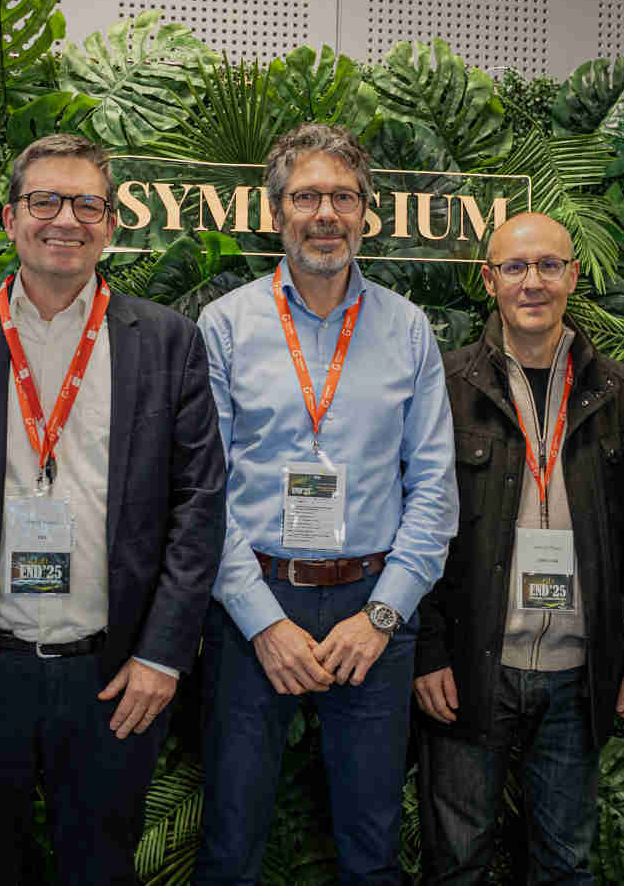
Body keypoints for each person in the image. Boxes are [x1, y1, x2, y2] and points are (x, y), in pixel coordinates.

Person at [0, 133, 226, 884]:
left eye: (86, 203)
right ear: (10, 218)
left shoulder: (168, 342)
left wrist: (163, 655)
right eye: (44, 200)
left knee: (98, 869)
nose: (64, 218)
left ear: (110, 224)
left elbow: (199, 508)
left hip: (111, 676)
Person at [193, 122, 459, 885]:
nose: (325, 213)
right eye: (307, 194)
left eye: (343, 196)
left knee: (372, 849)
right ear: (277, 211)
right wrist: (262, 622)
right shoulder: (227, 325)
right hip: (254, 606)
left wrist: (383, 616)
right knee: (230, 841)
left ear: (365, 212)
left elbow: (434, 487)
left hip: (371, 608)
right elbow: (203, 489)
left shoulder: (407, 328)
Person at [413, 212, 624, 884]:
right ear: (488, 279)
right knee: (457, 862)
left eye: (549, 265)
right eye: (515, 266)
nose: (533, 282)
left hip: (578, 675)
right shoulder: (444, 390)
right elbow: (413, 529)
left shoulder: (621, 396)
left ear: (573, 276)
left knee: (568, 863)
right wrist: (427, 649)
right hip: (472, 672)